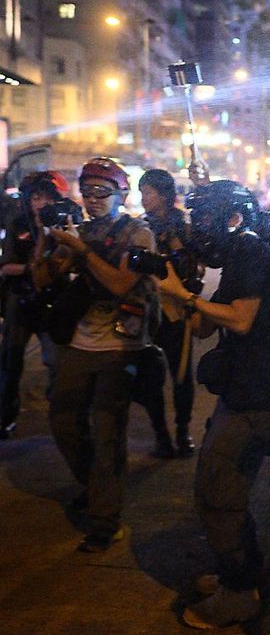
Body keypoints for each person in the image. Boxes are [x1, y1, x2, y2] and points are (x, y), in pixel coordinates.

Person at [156, 180, 270, 629]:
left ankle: (239, 593)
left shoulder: (249, 251)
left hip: (260, 399)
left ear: (234, 218)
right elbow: (202, 329)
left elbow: (241, 320)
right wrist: (181, 288)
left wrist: (186, 296)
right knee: (221, 490)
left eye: (205, 219)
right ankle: (236, 575)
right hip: (244, 393)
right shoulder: (237, 254)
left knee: (219, 494)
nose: (198, 229)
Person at [35, 158, 158, 553]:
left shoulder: (138, 234)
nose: (93, 199)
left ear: (121, 194)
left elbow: (123, 283)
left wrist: (81, 251)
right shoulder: (80, 231)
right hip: (79, 340)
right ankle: (96, 487)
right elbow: (41, 278)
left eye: (102, 191)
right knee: (63, 421)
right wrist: (48, 239)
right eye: (87, 192)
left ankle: (105, 520)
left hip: (120, 344)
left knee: (108, 431)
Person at [135, 168, 201, 457]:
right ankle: (161, 433)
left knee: (182, 375)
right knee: (150, 377)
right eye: (141, 192)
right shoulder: (139, 227)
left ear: (163, 194)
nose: (144, 198)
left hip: (176, 311)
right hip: (147, 310)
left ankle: (182, 430)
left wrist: (174, 244)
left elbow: (193, 266)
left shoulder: (184, 225)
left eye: (148, 192)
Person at [0, 172, 67, 439]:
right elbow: (6, 267)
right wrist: (32, 267)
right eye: (36, 198)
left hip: (51, 302)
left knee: (56, 362)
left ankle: (60, 415)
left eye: (46, 198)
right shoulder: (18, 225)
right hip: (21, 301)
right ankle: (6, 416)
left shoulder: (63, 224)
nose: (40, 203)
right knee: (11, 361)